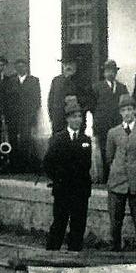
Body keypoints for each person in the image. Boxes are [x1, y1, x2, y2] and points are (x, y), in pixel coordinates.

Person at [106, 94, 136, 251]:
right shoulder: (113, 133)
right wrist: (117, 170)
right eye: (124, 110)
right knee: (115, 222)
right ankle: (115, 252)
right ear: (120, 113)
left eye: (130, 109)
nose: (127, 113)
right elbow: (109, 157)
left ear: (135, 111)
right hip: (117, 182)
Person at [43, 101, 93, 251]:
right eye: (74, 117)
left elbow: (87, 166)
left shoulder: (86, 140)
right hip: (63, 190)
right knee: (59, 223)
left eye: (80, 116)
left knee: (78, 225)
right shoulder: (58, 139)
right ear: (67, 119)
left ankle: (74, 255)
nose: (78, 120)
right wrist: (58, 179)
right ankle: (51, 256)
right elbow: (47, 163)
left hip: (80, 191)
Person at [92, 60, 128, 181]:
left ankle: (116, 175)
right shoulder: (96, 87)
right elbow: (92, 107)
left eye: (113, 71)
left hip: (117, 124)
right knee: (104, 150)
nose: (110, 73)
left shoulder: (122, 88)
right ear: (104, 72)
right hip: (102, 125)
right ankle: (106, 177)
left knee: (118, 149)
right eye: (108, 71)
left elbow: (126, 105)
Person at [12, 58, 41, 171]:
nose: (20, 68)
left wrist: (33, 115)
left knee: (26, 139)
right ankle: (15, 163)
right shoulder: (11, 81)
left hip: (27, 115)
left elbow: (36, 99)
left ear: (26, 67)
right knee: (14, 139)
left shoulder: (34, 81)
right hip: (14, 116)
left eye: (23, 66)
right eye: (18, 66)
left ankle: (25, 163)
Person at [47, 54, 83, 135]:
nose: (68, 66)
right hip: (58, 120)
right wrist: (53, 117)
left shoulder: (81, 81)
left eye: (71, 64)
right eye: (66, 64)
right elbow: (51, 101)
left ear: (75, 66)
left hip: (74, 121)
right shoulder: (56, 80)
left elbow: (86, 100)